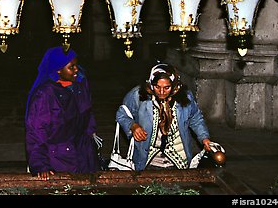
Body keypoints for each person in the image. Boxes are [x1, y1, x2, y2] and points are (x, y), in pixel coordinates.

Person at [116, 62, 212, 171]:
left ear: (174, 85)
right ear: (151, 84)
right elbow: (122, 114)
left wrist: (204, 138)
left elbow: (196, 118)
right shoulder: (138, 95)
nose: (162, 92)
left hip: (179, 158)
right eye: (157, 87)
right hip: (148, 159)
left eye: (167, 87)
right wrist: (133, 126)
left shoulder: (185, 97)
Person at [25, 46, 101, 180]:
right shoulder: (45, 95)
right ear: (58, 70)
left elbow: (88, 111)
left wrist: (91, 132)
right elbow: (36, 132)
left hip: (83, 153)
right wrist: (41, 165)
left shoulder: (80, 85)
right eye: (71, 67)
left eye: (77, 65)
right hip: (59, 157)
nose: (76, 70)